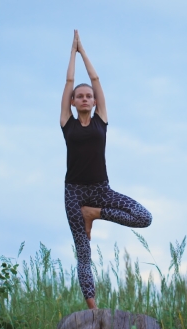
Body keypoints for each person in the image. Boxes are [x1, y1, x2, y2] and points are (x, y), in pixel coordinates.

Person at [61, 30, 152, 310]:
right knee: (83, 254)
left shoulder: (102, 120)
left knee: (144, 217)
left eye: (89, 96)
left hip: (101, 191)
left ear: (95, 102)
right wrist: (71, 53)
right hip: (75, 193)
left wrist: (83, 51)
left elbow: (97, 80)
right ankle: (94, 310)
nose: (86, 99)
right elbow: (68, 81)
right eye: (80, 97)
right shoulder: (68, 123)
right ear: (74, 103)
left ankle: (95, 215)